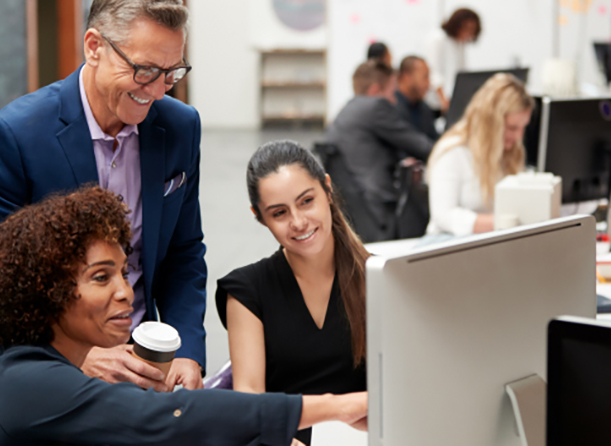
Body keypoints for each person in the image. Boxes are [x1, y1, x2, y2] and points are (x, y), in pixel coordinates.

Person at [0, 186, 367, 446]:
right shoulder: (27, 382)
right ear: (47, 290)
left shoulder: (53, 369)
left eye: (124, 273)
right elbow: (172, 416)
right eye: (101, 277)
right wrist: (338, 406)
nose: (126, 292)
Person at [0, 0, 205, 391]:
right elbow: (7, 278)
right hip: (52, 363)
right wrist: (74, 353)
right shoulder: (18, 135)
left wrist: (187, 350)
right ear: (94, 47)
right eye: (144, 70)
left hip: (145, 359)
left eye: (172, 73)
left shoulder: (180, 127)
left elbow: (184, 251)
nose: (160, 91)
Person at [215, 140, 370, 445]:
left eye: (306, 201)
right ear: (259, 216)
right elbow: (250, 409)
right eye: (279, 213)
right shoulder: (246, 292)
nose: (298, 222)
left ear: (327, 189)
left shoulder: (377, 277)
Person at [325, 60, 434, 242]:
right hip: (379, 209)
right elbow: (420, 145)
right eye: (391, 92)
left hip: (356, 209)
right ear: (375, 91)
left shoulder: (347, 110)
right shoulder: (375, 107)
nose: (394, 100)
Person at [426, 73, 534, 236]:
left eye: (523, 128)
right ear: (490, 122)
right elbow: (443, 215)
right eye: (512, 128)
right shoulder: (453, 152)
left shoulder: (511, 152)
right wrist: (503, 223)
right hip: (449, 246)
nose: (519, 136)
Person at [424, 8, 482, 113]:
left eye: (472, 30)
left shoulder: (460, 43)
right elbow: (433, 72)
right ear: (457, 25)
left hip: (453, 100)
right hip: (436, 102)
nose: (468, 33)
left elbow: (463, 72)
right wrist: (443, 100)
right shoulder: (438, 38)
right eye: (466, 28)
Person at [395, 56, 439, 141]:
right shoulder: (390, 108)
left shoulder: (424, 108)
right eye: (425, 77)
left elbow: (433, 138)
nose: (428, 84)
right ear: (406, 77)